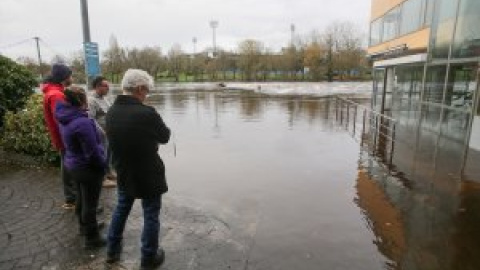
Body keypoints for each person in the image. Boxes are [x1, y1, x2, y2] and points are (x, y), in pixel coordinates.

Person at [106, 69, 170, 269]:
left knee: (121, 209)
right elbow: (165, 136)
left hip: (124, 170)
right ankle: (148, 257)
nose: (147, 94)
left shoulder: (111, 111)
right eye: (147, 90)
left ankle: (112, 251)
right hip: (148, 173)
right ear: (140, 88)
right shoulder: (146, 113)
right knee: (150, 213)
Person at [55, 87, 107, 249]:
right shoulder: (82, 122)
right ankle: (92, 239)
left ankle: (84, 228)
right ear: (81, 100)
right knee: (90, 204)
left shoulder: (65, 117)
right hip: (87, 169)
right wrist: (103, 165)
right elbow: (92, 152)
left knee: (81, 200)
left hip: (73, 165)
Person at [42, 63, 76, 209]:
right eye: (70, 75)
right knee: (68, 167)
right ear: (64, 77)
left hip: (62, 136)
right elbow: (62, 118)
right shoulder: (56, 95)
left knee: (67, 164)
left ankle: (72, 198)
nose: (72, 78)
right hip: (65, 137)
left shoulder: (55, 91)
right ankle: (72, 199)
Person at [88, 76, 116, 188]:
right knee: (102, 155)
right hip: (100, 133)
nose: (108, 88)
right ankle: (102, 178)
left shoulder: (104, 98)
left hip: (109, 132)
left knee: (109, 154)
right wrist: (102, 131)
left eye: (108, 86)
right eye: (105, 86)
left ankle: (109, 172)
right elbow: (91, 118)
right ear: (97, 87)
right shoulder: (91, 100)